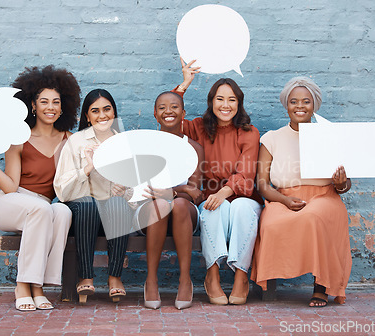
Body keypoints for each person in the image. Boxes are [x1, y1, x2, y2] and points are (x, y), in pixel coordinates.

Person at [0, 65, 80, 311]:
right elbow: (11, 187)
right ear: (32, 105)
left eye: (56, 102)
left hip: (42, 206)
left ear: (63, 106)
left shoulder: (69, 140)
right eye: (44, 101)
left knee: (63, 212)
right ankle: (24, 285)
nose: (50, 107)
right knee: (41, 210)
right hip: (12, 202)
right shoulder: (18, 137)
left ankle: (42, 284)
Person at [250, 76, 352, 307]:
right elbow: (263, 184)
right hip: (282, 198)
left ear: (314, 105)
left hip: (323, 197)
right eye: (294, 101)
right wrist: (284, 200)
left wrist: (340, 183)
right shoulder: (272, 138)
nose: (299, 107)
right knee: (270, 224)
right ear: (286, 104)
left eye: (306, 101)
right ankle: (268, 285)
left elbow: (345, 186)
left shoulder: (329, 136)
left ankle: (321, 286)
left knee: (313, 217)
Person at [172, 59, 263, 305]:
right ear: (211, 102)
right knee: (214, 208)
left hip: (243, 198)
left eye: (231, 100)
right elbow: (170, 122)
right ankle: (212, 275)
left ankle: (241, 276)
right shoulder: (199, 128)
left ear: (239, 103)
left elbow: (246, 175)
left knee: (241, 207)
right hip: (210, 199)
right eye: (220, 99)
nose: (225, 105)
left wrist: (224, 192)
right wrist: (184, 85)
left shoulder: (249, 132)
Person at [54, 89, 134, 304]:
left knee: (118, 203)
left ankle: (115, 277)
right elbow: (61, 190)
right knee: (88, 204)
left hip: (115, 216)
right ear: (87, 116)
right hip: (83, 216)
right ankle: (85, 276)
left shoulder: (124, 143)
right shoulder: (76, 142)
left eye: (107, 109)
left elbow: (138, 191)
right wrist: (87, 168)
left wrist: (125, 191)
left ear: (114, 112)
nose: (102, 115)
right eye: (95, 111)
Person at [137, 91, 205, 310]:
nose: (168, 111)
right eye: (162, 107)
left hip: (183, 213)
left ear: (183, 113)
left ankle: (185, 279)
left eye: (174, 107)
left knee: (179, 204)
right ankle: (151, 280)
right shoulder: (145, 146)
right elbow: (145, 189)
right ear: (155, 115)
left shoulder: (194, 148)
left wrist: (173, 192)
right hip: (149, 212)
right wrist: (181, 188)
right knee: (159, 204)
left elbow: (195, 193)